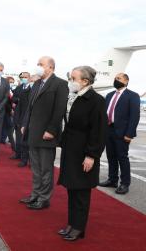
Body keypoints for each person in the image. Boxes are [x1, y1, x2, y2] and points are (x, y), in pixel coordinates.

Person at [57, 66, 107, 241]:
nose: (70, 81)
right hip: (71, 150)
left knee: (82, 192)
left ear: (85, 81)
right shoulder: (74, 97)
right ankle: (72, 223)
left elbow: (99, 131)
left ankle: (79, 228)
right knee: (72, 189)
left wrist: (91, 155)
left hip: (84, 152)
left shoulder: (96, 100)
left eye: (73, 78)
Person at [20, 56, 68, 210]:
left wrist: (51, 130)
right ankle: (35, 194)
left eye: (41, 64)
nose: (38, 66)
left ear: (51, 67)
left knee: (46, 168)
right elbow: (30, 107)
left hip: (47, 134)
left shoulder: (60, 84)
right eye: (37, 64)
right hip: (33, 132)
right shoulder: (37, 83)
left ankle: (44, 198)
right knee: (35, 167)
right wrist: (24, 124)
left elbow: (59, 110)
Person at [99, 73, 140, 195]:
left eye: (119, 79)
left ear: (126, 81)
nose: (116, 80)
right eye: (115, 78)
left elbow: (134, 116)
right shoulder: (109, 95)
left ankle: (124, 183)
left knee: (122, 157)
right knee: (111, 156)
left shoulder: (132, 96)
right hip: (108, 130)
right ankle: (112, 180)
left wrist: (129, 134)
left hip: (122, 133)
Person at [12, 72, 31, 167]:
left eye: (25, 77)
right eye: (22, 77)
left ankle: (25, 159)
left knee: (25, 140)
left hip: (27, 117)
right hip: (18, 116)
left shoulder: (32, 89)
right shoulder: (19, 88)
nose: (24, 78)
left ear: (29, 78)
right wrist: (17, 100)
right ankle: (17, 154)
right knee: (18, 138)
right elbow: (14, 98)